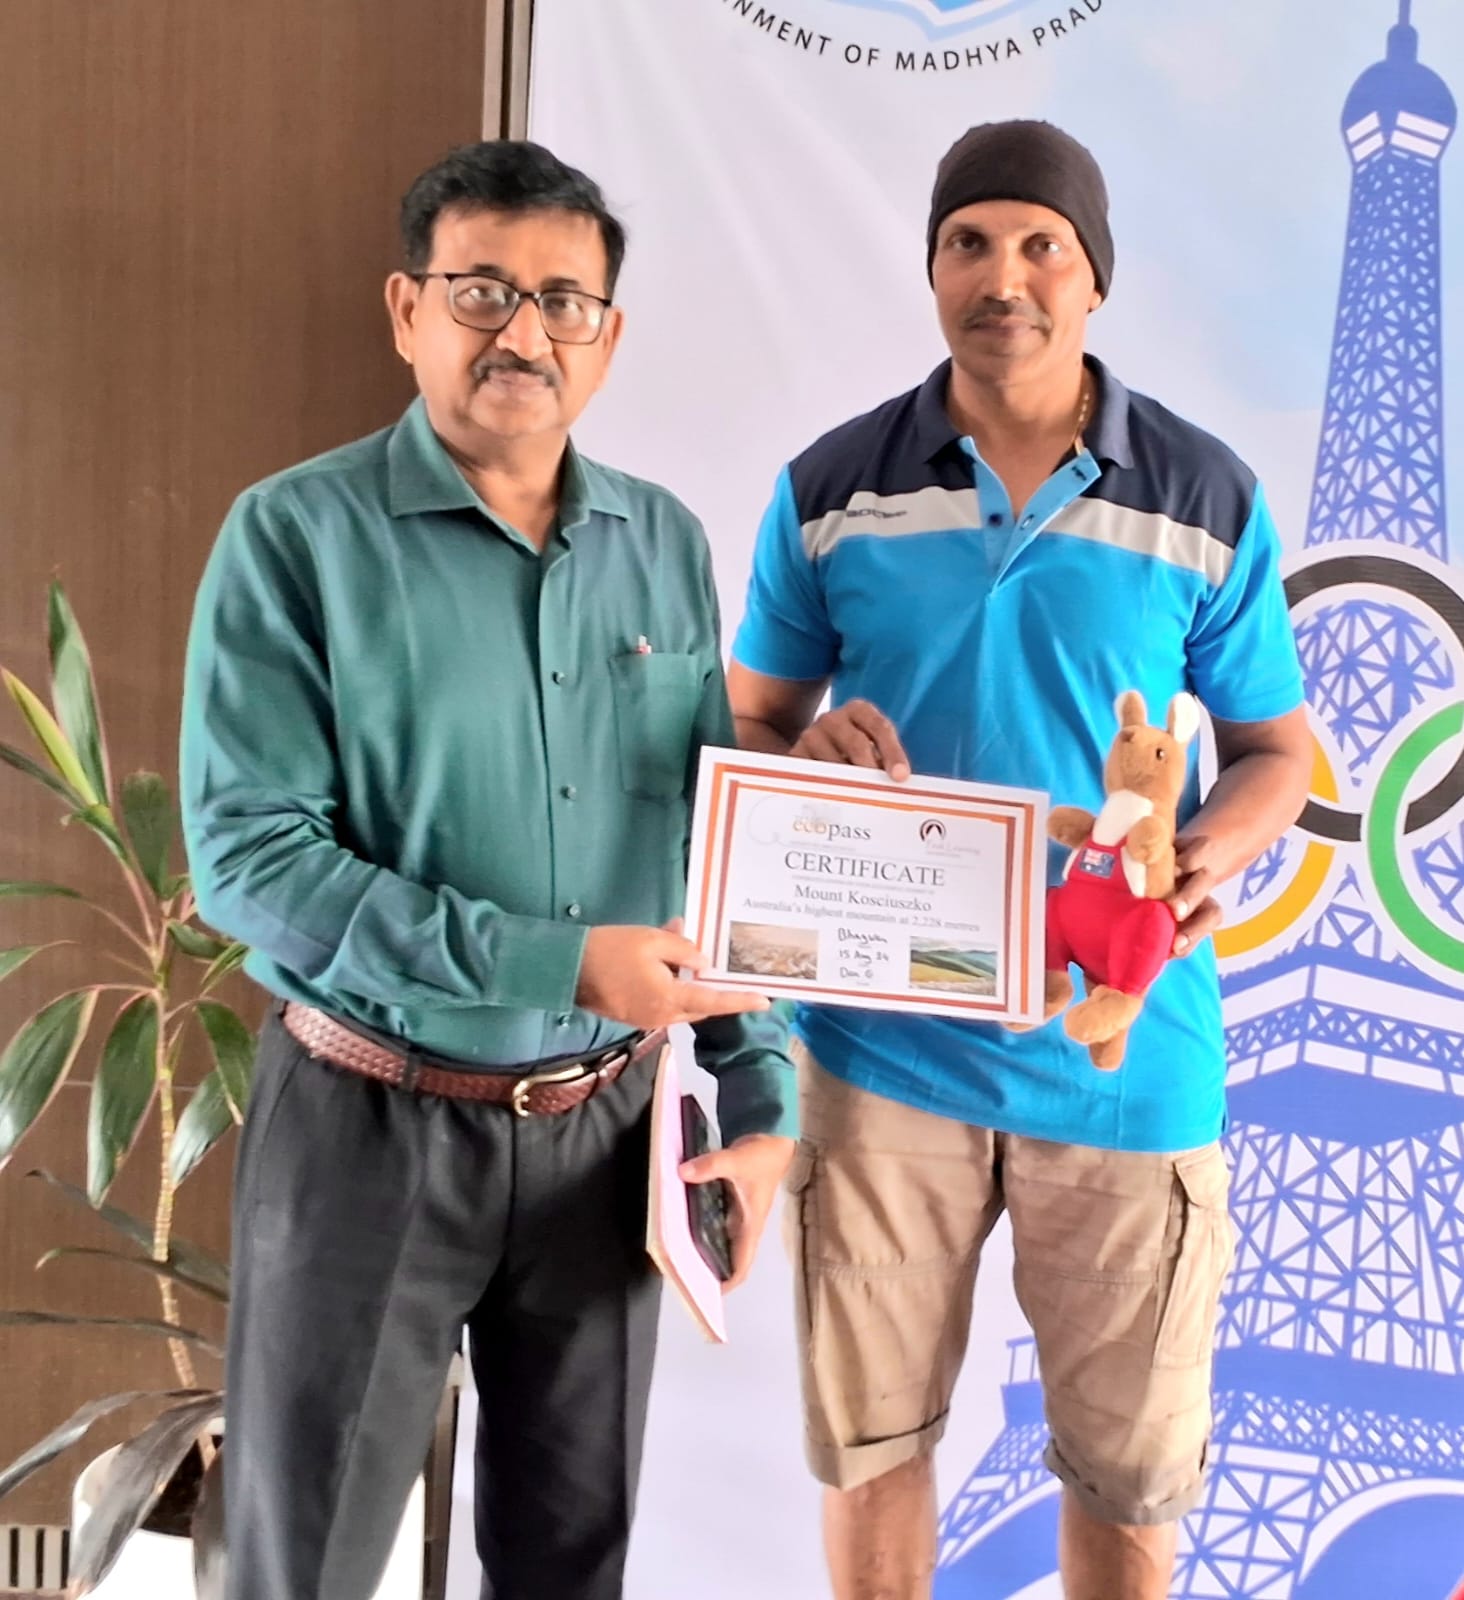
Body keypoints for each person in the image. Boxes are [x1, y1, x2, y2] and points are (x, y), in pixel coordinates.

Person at [181, 139, 796, 1600]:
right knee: (306, 1565)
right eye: (481, 291)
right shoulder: (295, 538)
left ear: (608, 335)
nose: (523, 333)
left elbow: (712, 839)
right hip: (366, 1129)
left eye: (562, 302)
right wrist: (556, 961)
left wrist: (761, 1089)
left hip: (606, 1140)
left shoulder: (664, 542)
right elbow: (250, 863)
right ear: (408, 311)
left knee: (569, 1563)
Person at [727, 120, 1312, 1600]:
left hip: (1122, 1059)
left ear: (1094, 277)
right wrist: (806, 764)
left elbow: (1276, 755)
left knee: (1128, 1485)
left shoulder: (1205, 495)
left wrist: (1197, 860)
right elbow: (744, 731)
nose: (1006, 275)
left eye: (1042, 243)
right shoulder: (829, 487)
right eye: (971, 243)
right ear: (931, 268)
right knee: (873, 1452)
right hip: (879, 1058)